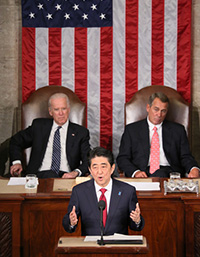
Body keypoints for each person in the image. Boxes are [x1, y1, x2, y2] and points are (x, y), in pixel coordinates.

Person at [62, 146, 144, 236]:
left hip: (118, 247)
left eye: (103, 167)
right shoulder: (79, 191)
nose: (99, 172)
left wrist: (137, 220)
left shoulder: (127, 191)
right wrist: (71, 222)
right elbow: (68, 224)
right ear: (90, 170)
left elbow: (136, 227)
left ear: (112, 168)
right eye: (95, 167)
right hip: (91, 247)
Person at [117, 92, 200, 178]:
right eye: (156, 109)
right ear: (148, 107)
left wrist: (193, 168)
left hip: (170, 173)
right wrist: (135, 172)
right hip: (143, 173)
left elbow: (185, 156)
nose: (159, 115)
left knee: (161, 174)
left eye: (163, 111)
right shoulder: (132, 130)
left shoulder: (178, 130)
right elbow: (122, 158)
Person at [9, 93, 90, 178]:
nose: (61, 113)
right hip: (38, 177)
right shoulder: (38, 126)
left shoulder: (81, 133)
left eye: (64, 108)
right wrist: (16, 162)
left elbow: (88, 160)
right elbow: (16, 141)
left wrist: (76, 172)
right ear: (50, 112)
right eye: (56, 109)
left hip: (66, 177)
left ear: (69, 109)